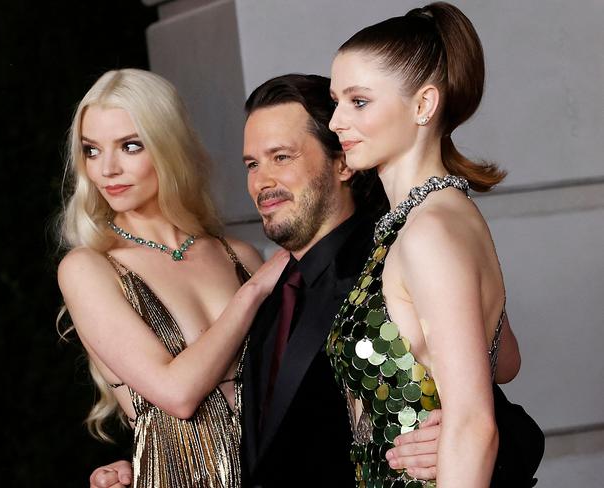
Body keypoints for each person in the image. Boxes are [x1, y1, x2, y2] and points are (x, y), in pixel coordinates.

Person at [90, 73, 542, 488]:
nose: (262, 181)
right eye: (252, 164)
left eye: (281, 158)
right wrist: (149, 464)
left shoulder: (397, 258)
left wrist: (461, 441)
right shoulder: (261, 283)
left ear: (343, 163)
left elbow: (506, 411)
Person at [327, 2, 541, 487]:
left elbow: (474, 425)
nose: (337, 120)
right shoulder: (430, 219)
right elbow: (504, 361)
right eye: (336, 100)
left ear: (423, 105)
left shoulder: (430, 231)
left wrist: (458, 426)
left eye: (358, 102)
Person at [56, 68, 288, 488]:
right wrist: (252, 292)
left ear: (168, 147)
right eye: (91, 150)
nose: (107, 169)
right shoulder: (89, 269)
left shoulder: (239, 255)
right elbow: (177, 394)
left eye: (129, 146)